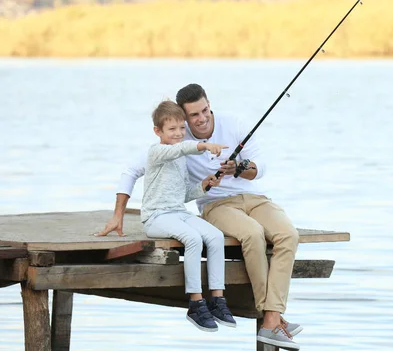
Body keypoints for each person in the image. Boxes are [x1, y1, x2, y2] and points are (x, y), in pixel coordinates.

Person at [97, 84, 302, 350]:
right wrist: (118, 215)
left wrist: (238, 169)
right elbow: (131, 171)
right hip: (217, 205)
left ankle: (271, 317)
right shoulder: (177, 141)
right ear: (183, 117)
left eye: (205, 110)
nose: (202, 118)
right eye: (194, 115)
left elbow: (260, 166)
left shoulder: (233, 123)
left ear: (209, 105)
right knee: (252, 234)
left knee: (289, 235)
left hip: (255, 198)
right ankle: (272, 318)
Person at [97, 100, 236, 333]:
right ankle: (195, 302)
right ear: (158, 132)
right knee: (192, 239)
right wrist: (203, 146)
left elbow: (182, 194)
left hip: (177, 212)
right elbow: (178, 149)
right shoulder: (158, 152)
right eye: (172, 129)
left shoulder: (181, 157)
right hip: (156, 217)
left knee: (215, 236)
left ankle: (217, 299)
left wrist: (203, 185)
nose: (179, 133)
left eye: (182, 128)